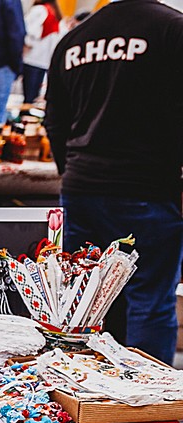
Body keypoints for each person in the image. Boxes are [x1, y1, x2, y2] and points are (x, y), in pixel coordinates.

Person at [44, 0, 183, 364]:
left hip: (83, 189)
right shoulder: (172, 29)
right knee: (148, 302)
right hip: (147, 189)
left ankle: (92, 404)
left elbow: (55, 123)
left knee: (90, 303)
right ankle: (149, 407)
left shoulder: (75, 40)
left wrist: (72, 170)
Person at [21, 0, 59, 103]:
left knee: (29, 96)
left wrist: (26, 43)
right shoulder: (53, 11)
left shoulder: (39, 10)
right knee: (33, 95)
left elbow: (27, 29)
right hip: (43, 60)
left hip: (32, 57)